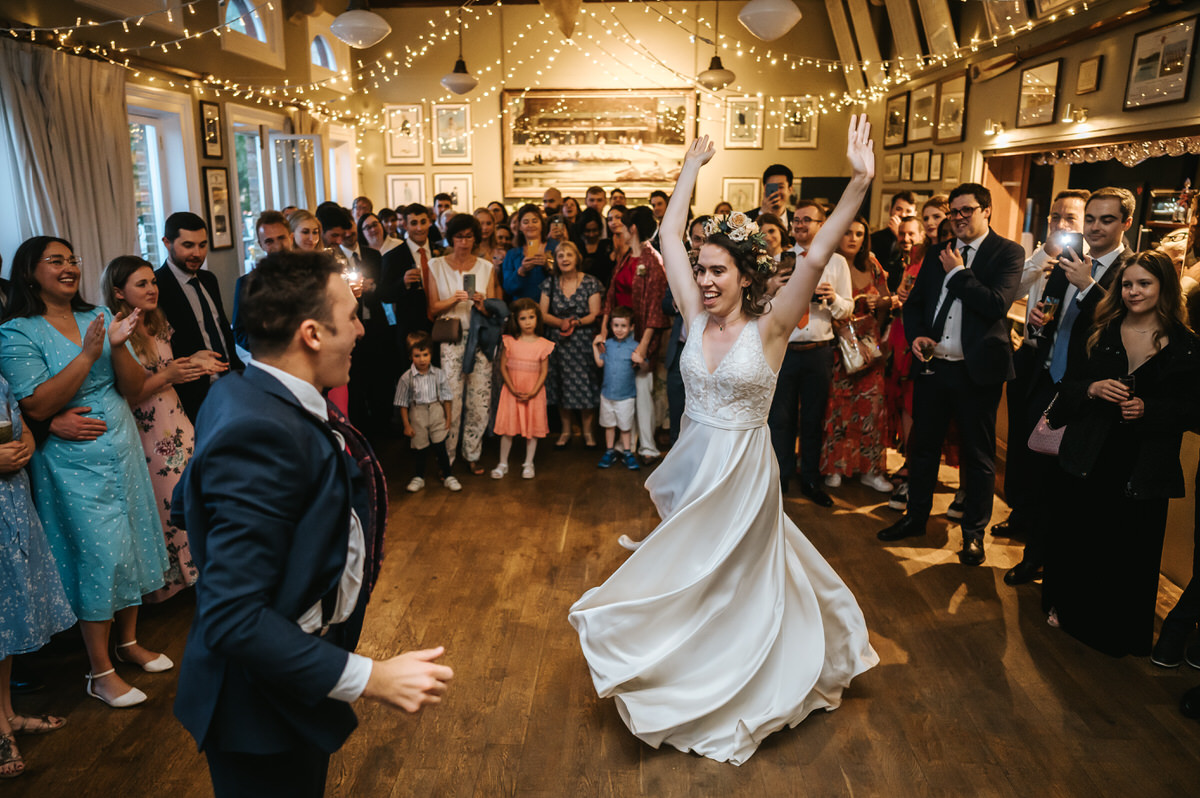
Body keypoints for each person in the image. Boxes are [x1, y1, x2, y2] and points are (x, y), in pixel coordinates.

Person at [569, 117, 878, 765]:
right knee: (689, 574)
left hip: (743, 471)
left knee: (734, 577)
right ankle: (683, 665)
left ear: (745, 275)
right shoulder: (689, 313)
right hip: (694, 464)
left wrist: (860, 182)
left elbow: (817, 254)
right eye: (701, 269)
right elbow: (667, 238)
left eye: (718, 271)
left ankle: (741, 675)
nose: (705, 281)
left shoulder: (771, 328)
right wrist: (690, 166)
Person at [172, 250, 453, 797]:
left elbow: (190, 504)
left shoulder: (242, 389)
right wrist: (370, 677)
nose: (361, 329)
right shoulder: (261, 431)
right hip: (258, 700)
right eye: (351, 315)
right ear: (312, 334)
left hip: (291, 673)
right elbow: (231, 617)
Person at [0, 236, 170, 709]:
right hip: (71, 459)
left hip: (121, 442)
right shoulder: (17, 332)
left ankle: (129, 642)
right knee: (99, 554)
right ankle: (100, 671)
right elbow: (37, 403)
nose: (69, 267)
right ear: (30, 272)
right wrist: (87, 355)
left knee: (133, 540)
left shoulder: (95, 317)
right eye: (54, 261)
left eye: (72, 259)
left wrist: (115, 346)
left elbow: (132, 387)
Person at [1043, 250, 1200, 656]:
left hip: (1146, 463)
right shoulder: (1102, 330)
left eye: (1143, 284)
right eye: (1127, 284)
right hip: (1093, 453)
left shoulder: (1186, 346)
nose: (1133, 292)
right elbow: (1068, 386)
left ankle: (1118, 630)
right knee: (1083, 537)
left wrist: (1151, 410)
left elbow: (1194, 410)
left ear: (1163, 287)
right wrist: (1093, 389)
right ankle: (1071, 611)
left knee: (1130, 548)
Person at [877, 183, 1025, 566]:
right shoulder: (939, 252)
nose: (958, 218)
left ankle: (973, 535)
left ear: (987, 210)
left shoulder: (1007, 252)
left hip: (977, 373)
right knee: (923, 448)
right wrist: (917, 337)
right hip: (934, 366)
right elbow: (916, 304)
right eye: (953, 212)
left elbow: (995, 304)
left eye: (966, 210)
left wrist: (958, 273)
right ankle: (915, 517)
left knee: (978, 456)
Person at [1004, 189, 1132, 586]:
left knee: (1070, 482)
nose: (1094, 227)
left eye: (1105, 220)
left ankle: (1061, 566)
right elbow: (1054, 314)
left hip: (1091, 392)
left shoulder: (1130, 268)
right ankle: (1034, 555)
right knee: (1038, 472)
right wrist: (1042, 321)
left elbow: (1127, 326)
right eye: (1090, 219)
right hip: (1049, 379)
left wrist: (1090, 286)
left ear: (1126, 223)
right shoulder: (1069, 261)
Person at [103, 255, 215, 603]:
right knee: (167, 503)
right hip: (148, 429)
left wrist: (194, 359)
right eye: (142, 284)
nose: (153, 289)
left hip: (176, 418)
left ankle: (204, 572)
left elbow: (168, 366)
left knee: (196, 494)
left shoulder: (157, 321)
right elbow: (132, 391)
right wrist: (170, 375)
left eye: (153, 281)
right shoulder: (118, 331)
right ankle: (173, 583)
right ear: (119, 292)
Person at [995, 189, 1091, 544]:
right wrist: (1042, 257)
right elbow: (1012, 289)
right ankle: (1019, 513)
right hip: (1030, 357)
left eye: (1070, 219)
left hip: (1063, 370)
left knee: (1046, 452)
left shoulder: (1087, 266)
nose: (1060, 224)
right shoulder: (1041, 255)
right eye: (1055, 217)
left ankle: (1042, 530)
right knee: (1020, 442)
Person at [0, 372, 75, 779]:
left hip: (10, 501)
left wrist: (26, 442)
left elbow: (21, 423)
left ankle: (7, 715)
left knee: (5, 619)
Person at [767, 199, 853, 506]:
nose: (800, 225)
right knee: (780, 418)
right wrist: (775, 287)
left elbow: (848, 308)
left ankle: (811, 480)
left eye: (808, 220)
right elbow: (765, 307)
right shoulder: (779, 259)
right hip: (784, 349)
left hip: (819, 351)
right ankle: (779, 478)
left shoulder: (836, 262)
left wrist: (833, 299)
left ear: (822, 225)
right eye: (797, 220)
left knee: (813, 419)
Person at [820, 217, 893, 493]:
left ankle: (869, 469)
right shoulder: (828, 262)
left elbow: (889, 298)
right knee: (836, 404)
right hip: (836, 339)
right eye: (847, 232)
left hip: (868, 339)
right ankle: (835, 466)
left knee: (872, 404)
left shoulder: (872, 265)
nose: (852, 238)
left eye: (859, 233)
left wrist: (880, 301)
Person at [426, 213, 500, 473]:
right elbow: (433, 308)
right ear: (451, 237)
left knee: (479, 400)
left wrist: (482, 303)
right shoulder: (436, 265)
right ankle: (447, 455)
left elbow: (494, 309)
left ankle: (472, 453)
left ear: (476, 239)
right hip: (451, 336)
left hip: (480, 336)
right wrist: (454, 300)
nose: (464, 242)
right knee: (451, 398)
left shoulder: (485, 267)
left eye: (469, 236)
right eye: (459, 236)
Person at [155, 212, 242, 422]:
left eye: (202, 245)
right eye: (188, 245)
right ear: (167, 242)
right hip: (192, 395)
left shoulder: (208, 279)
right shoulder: (157, 286)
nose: (197, 253)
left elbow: (221, 330)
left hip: (231, 382)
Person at [599, 205, 670, 465]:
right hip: (618, 334)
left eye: (623, 222)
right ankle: (625, 442)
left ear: (633, 229)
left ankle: (647, 447)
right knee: (622, 390)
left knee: (641, 388)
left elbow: (654, 308)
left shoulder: (652, 261)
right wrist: (604, 329)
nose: (618, 226)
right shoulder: (627, 256)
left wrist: (643, 346)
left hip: (640, 336)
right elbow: (610, 294)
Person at [540, 242, 602, 449]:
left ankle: (587, 432)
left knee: (585, 386)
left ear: (577, 257)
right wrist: (561, 323)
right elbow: (542, 313)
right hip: (557, 342)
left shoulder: (591, 282)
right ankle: (566, 431)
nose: (565, 259)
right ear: (556, 260)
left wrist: (575, 322)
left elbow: (595, 314)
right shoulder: (549, 283)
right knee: (560, 386)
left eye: (569, 255)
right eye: (560, 256)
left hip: (582, 342)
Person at [491, 299, 554, 480]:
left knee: (532, 429)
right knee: (508, 429)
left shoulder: (543, 344)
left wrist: (534, 391)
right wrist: (512, 388)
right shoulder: (510, 342)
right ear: (516, 321)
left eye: (531, 317)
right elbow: (503, 367)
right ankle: (503, 463)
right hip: (512, 392)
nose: (528, 322)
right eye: (523, 318)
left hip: (533, 393)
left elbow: (544, 371)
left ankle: (528, 463)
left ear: (537, 319)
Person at [394, 332, 459, 494]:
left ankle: (448, 475)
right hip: (417, 412)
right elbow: (402, 404)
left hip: (436, 410)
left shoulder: (438, 374)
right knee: (420, 447)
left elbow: (446, 397)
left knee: (440, 446)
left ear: (431, 354)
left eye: (425, 355)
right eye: (417, 355)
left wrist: (448, 418)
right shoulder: (406, 378)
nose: (422, 359)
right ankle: (419, 477)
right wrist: (407, 425)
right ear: (410, 356)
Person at [379, 203, 439, 374]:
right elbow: (384, 295)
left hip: (440, 326)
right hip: (411, 328)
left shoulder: (441, 251)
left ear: (430, 222)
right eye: (414, 223)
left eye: (423, 222)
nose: (419, 228)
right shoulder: (393, 256)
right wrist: (402, 283)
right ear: (404, 225)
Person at [593, 306, 641, 472]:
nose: (619, 330)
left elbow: (645, 365)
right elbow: (600, 363)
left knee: (625, 427)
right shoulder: (608, 345)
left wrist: (640, 359)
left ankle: (627, 453)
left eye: (623, 326)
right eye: (616, 326)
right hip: (607, 395)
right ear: (611, 326)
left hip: (626, 396)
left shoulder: (635, 345)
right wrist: (595, 345)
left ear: (631, 327)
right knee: (609, 426)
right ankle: (609, 451)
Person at [502, 204, 555, 301]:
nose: (530, 225)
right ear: (520, 227)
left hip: (551, 307)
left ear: (541, 224)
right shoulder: (512, 254)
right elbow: (508, 288)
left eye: (535, 221)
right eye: (525, 222)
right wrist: (521, 271)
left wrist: (548, 265)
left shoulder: (555, 247)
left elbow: (566, 279)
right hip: (522, 309)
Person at [872, 191, 918, 291]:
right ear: (890, 211)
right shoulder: (875, 238)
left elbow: (911, 264)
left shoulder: (918, 240)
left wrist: (899, 234)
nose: (903, 215)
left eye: (908, 211)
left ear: (915, 214)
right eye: (898, 209)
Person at [573, 208, 613, 286]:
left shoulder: (607, 246)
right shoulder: (576, 247)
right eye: (587, 231)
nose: (591, 235)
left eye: (595, 230)